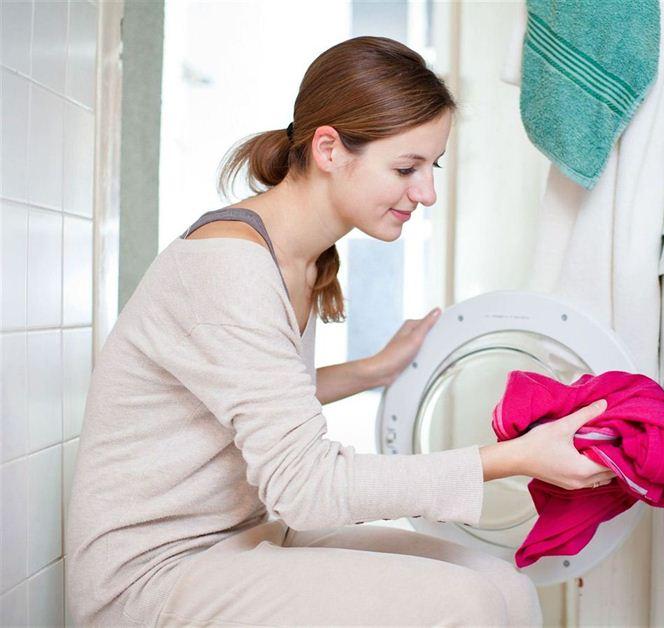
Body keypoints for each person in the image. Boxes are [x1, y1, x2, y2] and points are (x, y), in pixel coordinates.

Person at [65, 36, 616, 627]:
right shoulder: (228, 266)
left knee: (502, 584)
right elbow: (307, 487)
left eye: (433, 166)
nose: (426, 192)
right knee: (469, 605)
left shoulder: (297, 255)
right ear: (328, 148)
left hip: (242, 534)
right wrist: (513, 458)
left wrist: (370, 370)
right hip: (153, 572)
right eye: (406, 168)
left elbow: (256, 393)